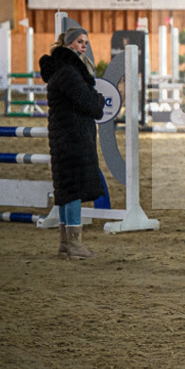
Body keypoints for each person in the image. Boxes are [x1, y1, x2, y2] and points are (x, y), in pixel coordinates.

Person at [39, 27, 105, 259]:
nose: (84, 46)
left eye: (86, 42)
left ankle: (65, 243)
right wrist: (98, 98)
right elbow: (91, 106)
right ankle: (75, 245)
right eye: (79, 42)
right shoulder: (70, 72)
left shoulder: (60, 70)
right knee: (74, 189)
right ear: (68, 45)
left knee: (66, 190)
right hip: (73, 136)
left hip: (63, 135)